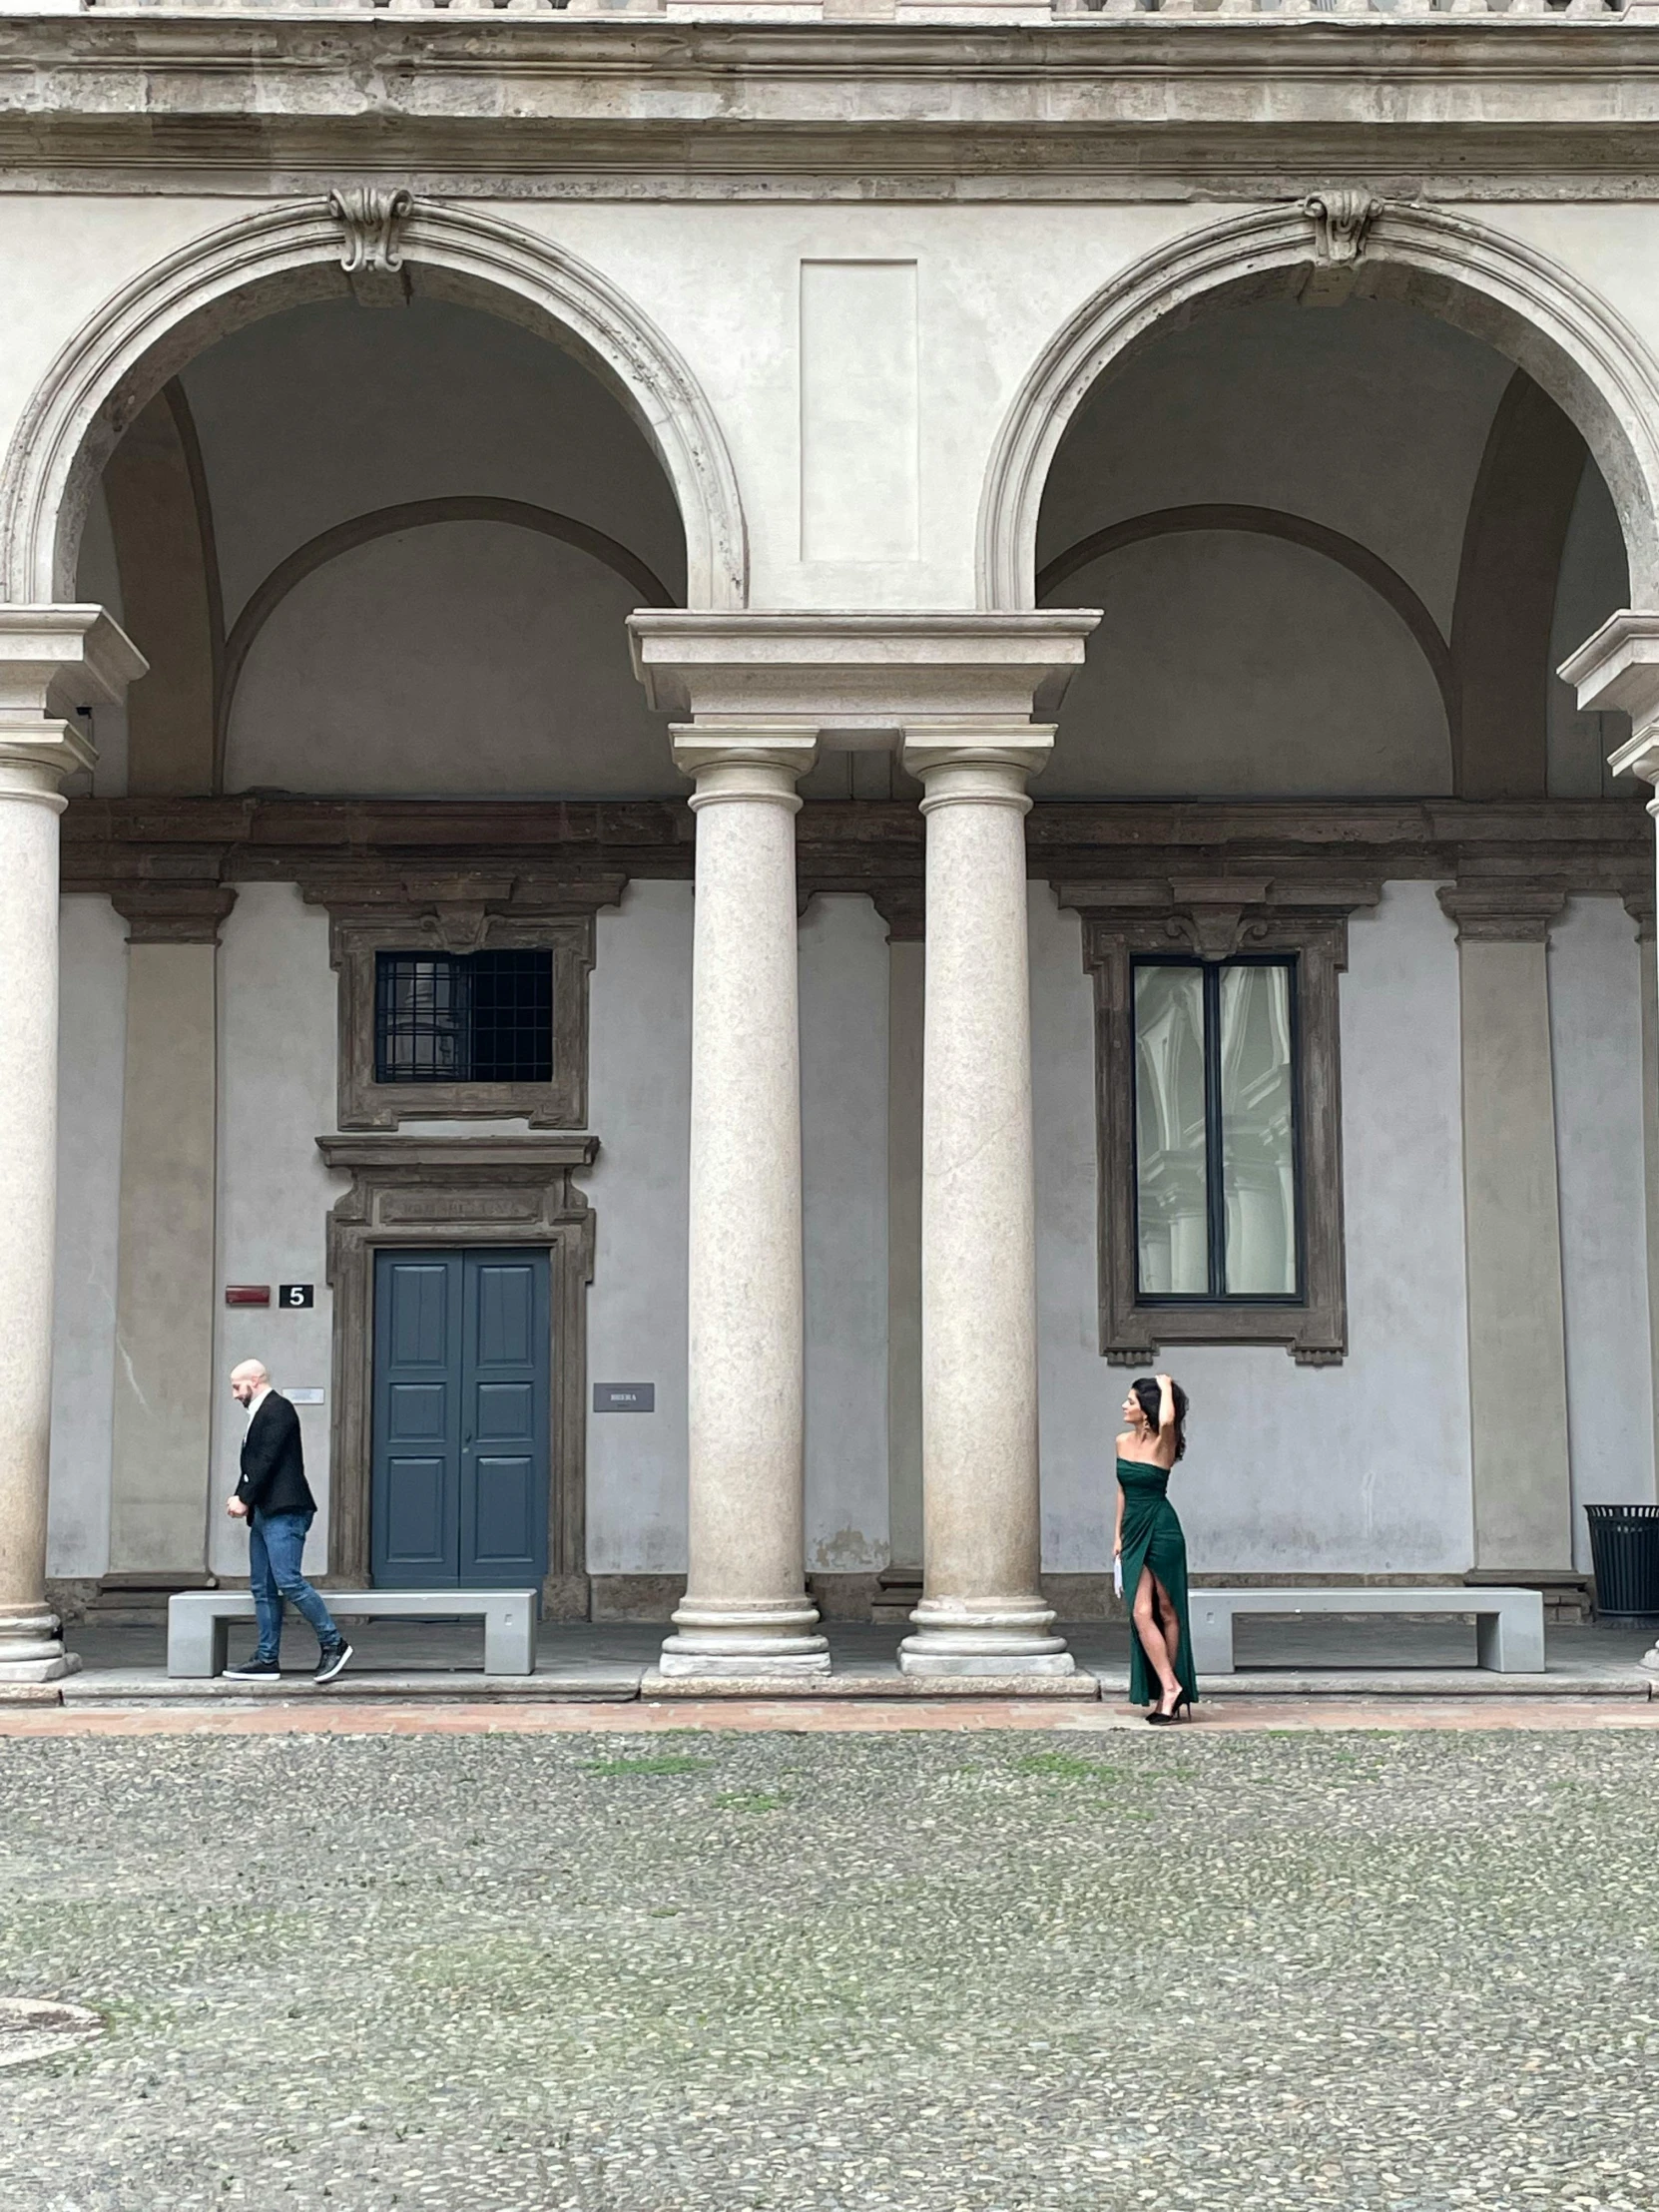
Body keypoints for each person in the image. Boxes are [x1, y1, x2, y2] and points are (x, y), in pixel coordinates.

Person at [223, 1360, 352, 1685]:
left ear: (255, 1380)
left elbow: (267, 1459)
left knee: (289, 1581)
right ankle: (267, 1659)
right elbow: (255, 1465)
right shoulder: (261, 1413)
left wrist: (244, 1498)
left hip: (285, 1511)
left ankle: (334, 1643)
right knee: (262, 1589)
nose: (234, 1394)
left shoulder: (278, 1409)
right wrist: (243, 1497)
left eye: (237, 1387)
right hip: (266, 1512)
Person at [1115, 1373, 1197, 1725]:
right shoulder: (1121, 1441)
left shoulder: (1164, 1441)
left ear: (1145, 1411)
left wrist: (1165, 1386)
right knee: (1139, 1611)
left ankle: (1170, 1692)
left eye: (1131, 1401)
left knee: (1166, 1607)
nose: (1123, 1405)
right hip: (1133, 1530)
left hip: (1162, 1528)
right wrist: (1116, 1536)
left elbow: (1167, 1418)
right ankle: (1169, 1684)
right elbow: (1122, 1490)